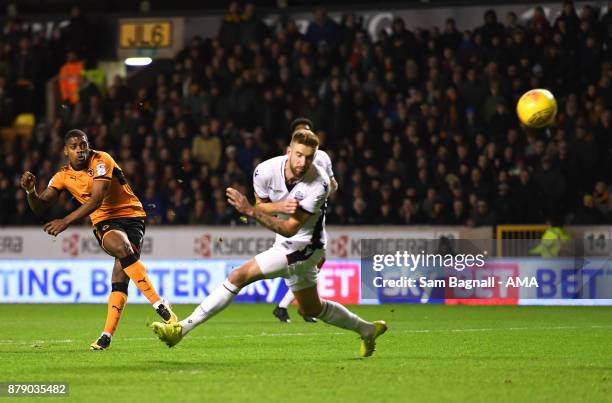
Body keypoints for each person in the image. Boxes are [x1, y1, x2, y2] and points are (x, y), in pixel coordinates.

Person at [151, 129, 387, 357]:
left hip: (305, 247)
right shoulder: (264, 171)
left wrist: (249, 212)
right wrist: (274, 207)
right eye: (298, 154)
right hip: (286, 245)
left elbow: (289, 228)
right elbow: (262, 204)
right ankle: (367, 329)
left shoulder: (319, 183)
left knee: (238, 276)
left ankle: (180, 329)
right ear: (288, 151)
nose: (303, 162)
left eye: (309, 157)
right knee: (311, 309)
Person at [20, 129, 177, 350]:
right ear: (66, 151)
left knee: (120, 275)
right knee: (120, 246)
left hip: (132, 216)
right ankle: (160, 304)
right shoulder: (62, 176)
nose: (80, 150)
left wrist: (65, 221)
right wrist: (30, 192)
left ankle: (107, 335)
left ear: (88, 145)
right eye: (74, 147)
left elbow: (96, 199)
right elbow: (40, 206)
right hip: (105, 220)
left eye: (83, 145)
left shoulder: (102, 160)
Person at [271, 118, 337, 323]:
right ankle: (298, 306)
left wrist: (322, 193)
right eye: (299, 133)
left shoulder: (322, 157)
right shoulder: (286, 160)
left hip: (314, 217)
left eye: (307, 132)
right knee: (299, 261)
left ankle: (288, 306)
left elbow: (333, 184)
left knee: (314, 260)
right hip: (292, 218)